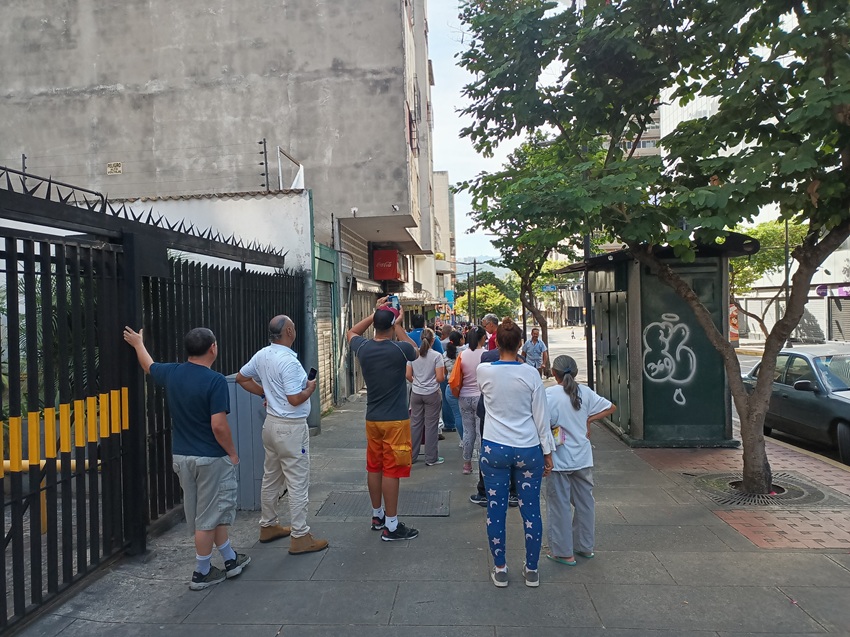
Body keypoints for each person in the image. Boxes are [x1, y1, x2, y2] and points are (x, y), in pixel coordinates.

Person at [123, 326, 250, 590]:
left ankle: (229, 559)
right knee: (208, 517)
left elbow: (149, 366)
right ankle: (202, 571)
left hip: (182, 457)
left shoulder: (173, 373)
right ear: (213, 347)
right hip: (211, 458)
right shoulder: (214, 381)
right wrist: (233, 453)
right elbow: (219, 425)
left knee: (209, 511)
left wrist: (138, 344)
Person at [236, 315, 328, 554]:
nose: (294, 329)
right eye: (293, 327)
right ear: (288, 331)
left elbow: (242, 378)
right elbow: (294, 398)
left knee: (272, 477)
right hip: (291, 428)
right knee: (297, 482)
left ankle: (268, 525)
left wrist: (264, 394)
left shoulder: (262, 354)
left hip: (271, 425)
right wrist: (309, 389)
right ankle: (300, 535)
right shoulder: (289, 362)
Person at [476, 317, 554, 588]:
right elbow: (541, 417)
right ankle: (532, 569)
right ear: (521, 343)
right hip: (528, 447)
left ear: (496, 342)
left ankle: (500, 568)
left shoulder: (484, 371)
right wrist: (548, 452)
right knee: (531, 509)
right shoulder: (531, 374)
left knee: (495, 511)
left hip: (494, 448)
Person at [347, 296, 421, 541]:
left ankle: (377, 515)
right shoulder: (400, 349)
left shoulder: (363, 347)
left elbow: (351, 332)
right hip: (396, 421)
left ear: (375, 326)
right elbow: (416, 350)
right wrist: (397, 323)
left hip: (372, 419)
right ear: (391, 327)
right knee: (392, 470)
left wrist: (377, 313)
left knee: (374, 466)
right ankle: (392, 524)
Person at [545, 355, 615, 566]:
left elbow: (542, 424)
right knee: (585, 504)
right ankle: (585, 546)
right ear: (574, 373)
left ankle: (563, 552)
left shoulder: (549, 394)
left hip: (559, 458)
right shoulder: (585, 391)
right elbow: (611, 407)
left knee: (560, 506)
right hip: (583, 458)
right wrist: (588, 419)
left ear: (554, 373)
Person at [407, 327, 446, 466]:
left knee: (415, 424)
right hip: (432, 394)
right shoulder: (437, 356)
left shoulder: (413, 354)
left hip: (416, 393)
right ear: (433, 340)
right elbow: (440, 378)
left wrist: (417, 382)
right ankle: (431, 458)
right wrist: (430, 382)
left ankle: (411, 456)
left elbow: (408, 375)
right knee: (431, 426)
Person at [457, 325, 488, 474]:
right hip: (480, 397)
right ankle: (483, 463)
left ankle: (467, 464)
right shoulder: (486, 355)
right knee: (481, 432)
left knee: (468, 432)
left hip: (464, 396)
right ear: (482, 338)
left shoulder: (462, 354)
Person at [442, 331, 464, 446]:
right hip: (464, 386)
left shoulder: (445, 355)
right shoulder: (464, 353)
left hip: (451, 387)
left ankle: (463, 440)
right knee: (467, 416)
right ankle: (470, 439)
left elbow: (444, 373)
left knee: (457, 415)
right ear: (460, 340)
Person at [438, 324, 457, 432]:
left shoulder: (441, 344)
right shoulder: (459, 346)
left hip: (445, 374)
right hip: (456, 375)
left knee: (446, 400)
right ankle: (455, 420)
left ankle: (449, 423)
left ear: (443, 334)